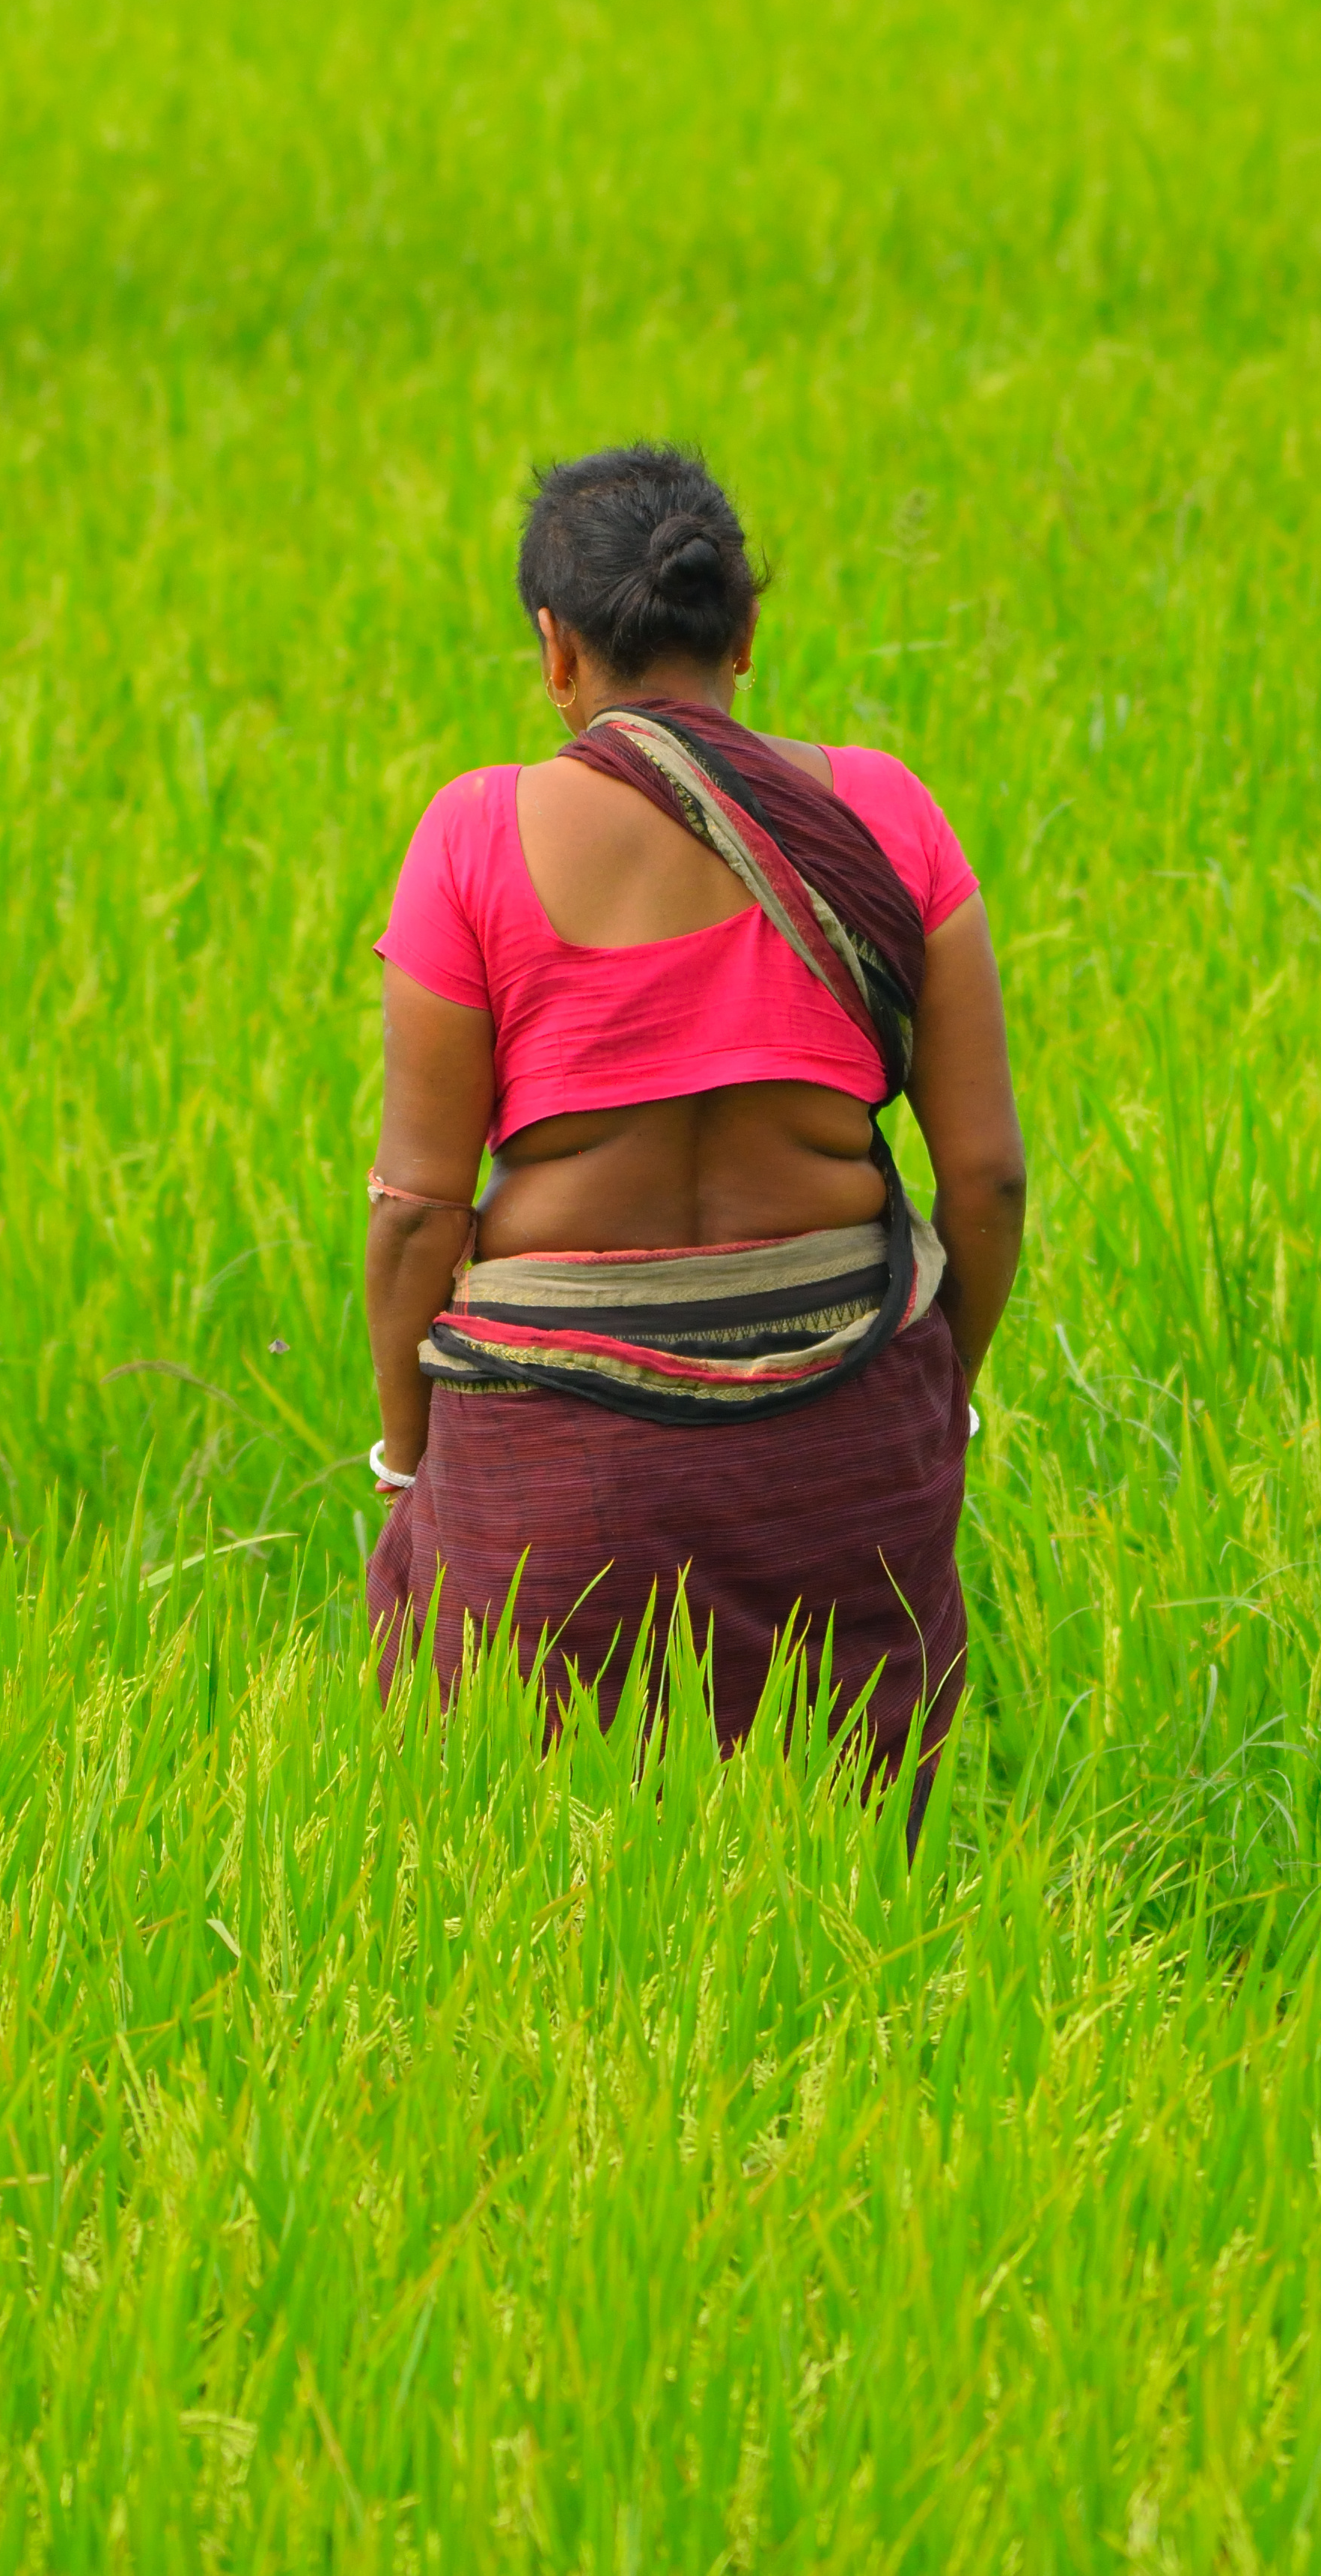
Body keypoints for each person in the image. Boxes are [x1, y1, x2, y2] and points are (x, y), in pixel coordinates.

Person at [359, 444, 1028, 1796]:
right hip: (842, 1431)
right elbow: (990, 1180)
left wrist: (413, 1457)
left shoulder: (476, 832)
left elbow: (419, 1211)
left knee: (513, 1867)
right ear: (747, 635)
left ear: (556, 651)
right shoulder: (888, 811)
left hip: (551, 1464)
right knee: (851, 1870)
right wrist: (930, 1393)